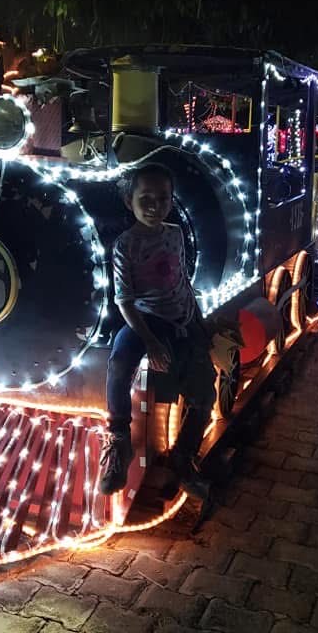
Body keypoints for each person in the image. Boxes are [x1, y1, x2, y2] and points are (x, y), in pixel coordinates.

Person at [98, 163, 215, 499]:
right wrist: (149, 341)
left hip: (180, 318)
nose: (154, 206)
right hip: (143, 320)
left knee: (205, 391)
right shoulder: (125, 245)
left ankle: (183, 456)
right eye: (145, 198)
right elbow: (124, 301)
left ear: (171, 199)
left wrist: (198, 321)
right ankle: (119, 439)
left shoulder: (175, 234)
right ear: (129, 201)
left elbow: (182, 282)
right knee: (119, 362)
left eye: (163, 198)